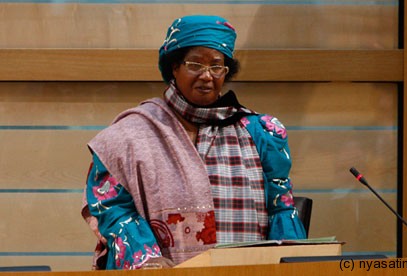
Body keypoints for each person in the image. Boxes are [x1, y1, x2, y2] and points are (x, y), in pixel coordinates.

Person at [81, 14, 306, 270]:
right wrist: (145, 259)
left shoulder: (262, 133)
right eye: (195, 64)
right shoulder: (126, 137)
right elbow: (112, 208)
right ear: (173, 68)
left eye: (216, 66)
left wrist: (292, 267)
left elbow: (281, 209)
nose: (207, 75)